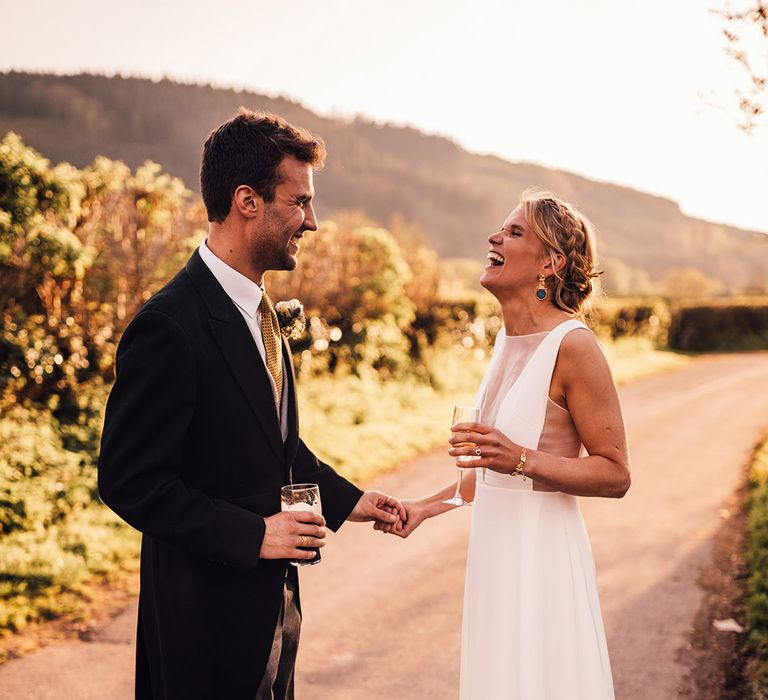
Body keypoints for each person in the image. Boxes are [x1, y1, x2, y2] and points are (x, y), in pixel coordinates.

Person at [98, 109, 406, 700]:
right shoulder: (170, 324)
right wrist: (253, 535)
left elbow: (271, 442)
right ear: (247, 200)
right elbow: (129, 480)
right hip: (200, 630)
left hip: (271, 619)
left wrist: (356, 502)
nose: (312, 222)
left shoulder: (261, 312)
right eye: (300, 202)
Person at [378, 190, 630, 699]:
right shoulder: (503, 343)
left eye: (515, 232)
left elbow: (615, 473)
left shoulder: (574, 346)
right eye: (501, 228)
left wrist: (520, 459)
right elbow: (481, 480)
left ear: (550, 263)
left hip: (541, 560)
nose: (494, 237)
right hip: (494, 562)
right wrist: (422, 508)